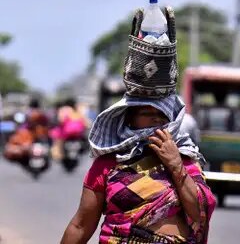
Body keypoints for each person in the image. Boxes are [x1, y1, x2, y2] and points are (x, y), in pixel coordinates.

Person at [60, 95, 216, 244]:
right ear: (130, 119)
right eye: (147, 113)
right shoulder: (108, 164)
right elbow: (81, 225)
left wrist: (176, 165)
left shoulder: (184, 160)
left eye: (163, 114)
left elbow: (199, 214)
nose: (157, 119)